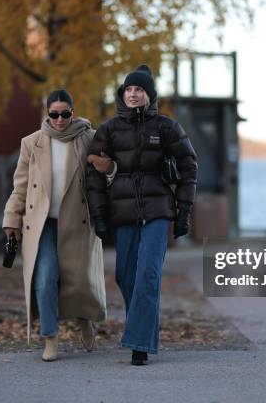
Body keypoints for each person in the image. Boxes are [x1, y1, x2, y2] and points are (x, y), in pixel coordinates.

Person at [86, 64, 198, 365]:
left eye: (139, 90)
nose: (133, 94)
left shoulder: (166, 127)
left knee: (148, 273)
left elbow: (189, 166)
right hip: (123, 214)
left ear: (149, 95)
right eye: (129, 90)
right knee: (126, 276)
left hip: (158, 211)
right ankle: (143, 328)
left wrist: (184, 211)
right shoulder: (109, 130)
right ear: (123, 94)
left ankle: (139, 344)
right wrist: (99, 216)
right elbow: (93, 175)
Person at [3, 89, 107, 362]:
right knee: (46, 277)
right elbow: (21, 186)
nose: (59, 119)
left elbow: (106, 177)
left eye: (65, 114)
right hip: (42, 224)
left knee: (79, 278)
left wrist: (109, 168)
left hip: (78, 221)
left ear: (73, 112)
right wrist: (11, 219)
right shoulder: (32, 143)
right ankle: (50, 337)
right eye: (54, 114)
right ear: (47, 113)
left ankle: (84, 319)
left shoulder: (90, 138)